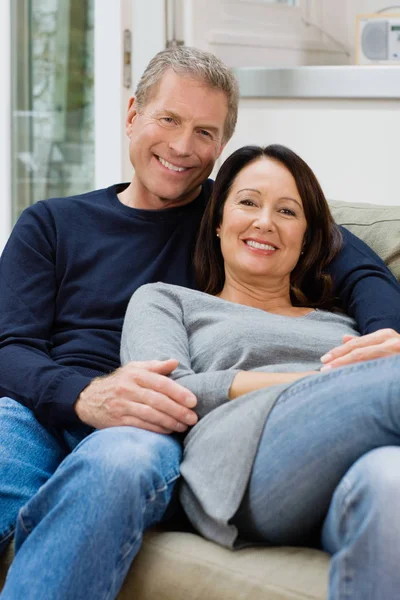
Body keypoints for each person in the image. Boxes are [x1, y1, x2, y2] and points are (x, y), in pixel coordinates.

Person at [0, 45, 398, 598]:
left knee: (126, 460)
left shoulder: (235, 213)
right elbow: (9, 348)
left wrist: (385, 339)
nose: (184, 147)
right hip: (56, 401)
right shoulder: (52, 223)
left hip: (153, 418)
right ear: (133, 113)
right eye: (168, 119)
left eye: (206, 133)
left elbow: (364, 270)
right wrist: (86, 395)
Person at [120, 144, 400, 600]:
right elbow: (168, 390)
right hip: (241, 457)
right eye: (248, 202)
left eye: (287, 211)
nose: (265, 221)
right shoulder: (168, 300)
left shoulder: (346, 323)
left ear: (309, 238)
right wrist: (318, 383)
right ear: (216, 220)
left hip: (351, 460)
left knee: (391, 482)